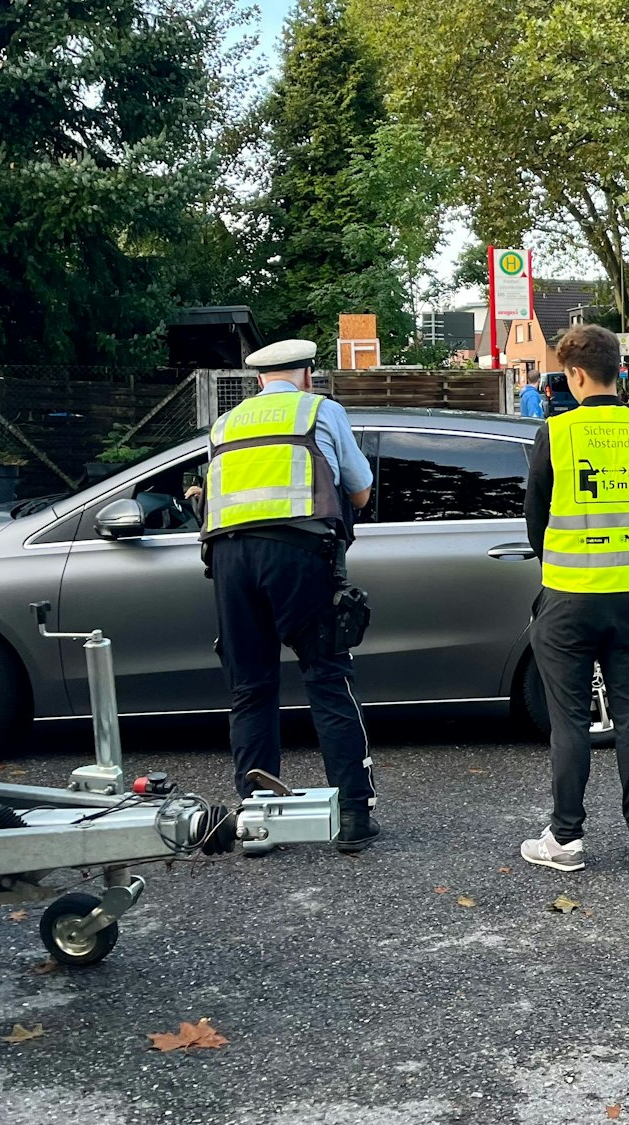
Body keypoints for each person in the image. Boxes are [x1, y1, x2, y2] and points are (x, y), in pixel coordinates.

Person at [200, 339, 379, 853]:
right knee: (326, 676)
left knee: (250, 687)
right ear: (306, 374)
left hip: (231, 562)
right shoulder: (321, 410)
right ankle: (352, 817)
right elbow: (360, 491)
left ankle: (258, 822)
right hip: (299, 556)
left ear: (259, 379)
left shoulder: (226, 425)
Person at [520, 324, 629, 872]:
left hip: (569, 598)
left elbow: (536, 521)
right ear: (618, 371)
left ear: (576, 375)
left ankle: (565, 842)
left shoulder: (555, 434)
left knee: (569, 723)